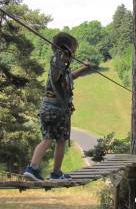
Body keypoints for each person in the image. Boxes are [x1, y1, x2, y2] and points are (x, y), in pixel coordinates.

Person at [23, 32, 91, 181]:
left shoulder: (61, 67)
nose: (74, 53)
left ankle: (32, 168)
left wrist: (83, 68)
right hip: (57, 110)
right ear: (65, 49)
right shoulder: (57, 63)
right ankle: (56, 173)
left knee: (47, 139)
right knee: (60, 141)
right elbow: (56, 74)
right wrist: (62, 54)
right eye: (73, 50)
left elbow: (68, 77)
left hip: (47, 108)